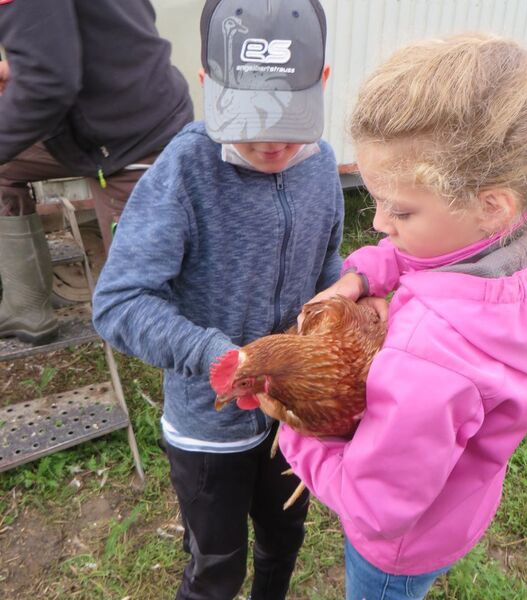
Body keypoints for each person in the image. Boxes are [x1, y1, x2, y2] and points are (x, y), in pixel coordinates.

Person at [274, 34, 527, 599]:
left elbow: (376, 506)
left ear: (490, 205)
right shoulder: (520, 246)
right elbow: (423, 255)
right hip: (456, 505)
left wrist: (299, 436)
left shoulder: (429, 357)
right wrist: (365, 275)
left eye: (400, 210)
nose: (377, 223)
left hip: (399, 549)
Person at [92, 1, 343, 599]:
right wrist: (216, 356)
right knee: (216, 565)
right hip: (210, 428)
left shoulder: (323, 166)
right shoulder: (186, 170)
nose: (270, 139)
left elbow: (327, 266)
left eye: (286, 115)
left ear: (322, 82)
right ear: (208, 85)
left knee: (284, 537)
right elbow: (120, 302)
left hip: (293, 418)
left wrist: (332, 322)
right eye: (248, 115)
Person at [0, 0, 193, 345]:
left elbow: (47, 85)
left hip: (134, 138)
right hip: (86, 128)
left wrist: (36, 78)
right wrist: (22, 73)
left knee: (138, 299)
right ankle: (26, 306)